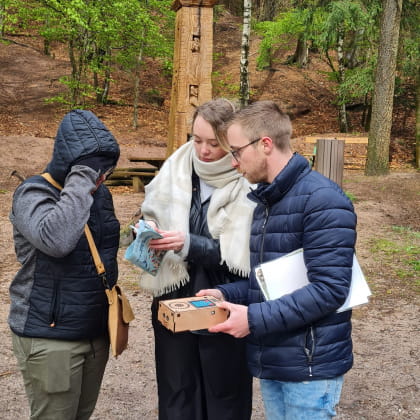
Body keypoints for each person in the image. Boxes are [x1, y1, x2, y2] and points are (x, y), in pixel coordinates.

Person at [198, 100, 357, 419]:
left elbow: (330, 290)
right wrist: (225, 294)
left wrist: (252, 319)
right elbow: (271, 282)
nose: (233, 163)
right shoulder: (267, 201)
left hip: (309, 368)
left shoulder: (323, 200)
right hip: (275, 360)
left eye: (236, 152)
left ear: (265, 144)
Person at [139, 98, 254, 420]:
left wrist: (191, 244)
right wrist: (145, 233)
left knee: (224, 395)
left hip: (224, 298)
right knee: (177, 391)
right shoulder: (175, 168)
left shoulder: (248, 177)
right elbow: (151, 213)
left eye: (214, 144)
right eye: (196, 139)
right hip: (173, 295)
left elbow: (247, 253)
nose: (203, 150)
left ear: (232, 141)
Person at [8, 109, 120, 419]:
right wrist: (82, 178)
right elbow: (58, 241)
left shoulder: (98, 194)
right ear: (72, 165)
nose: (101, 178)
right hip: (49, 336)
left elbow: (101, 248)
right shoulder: (33, 193)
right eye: (95, 171)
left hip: (94, 330)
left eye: (105, 171)